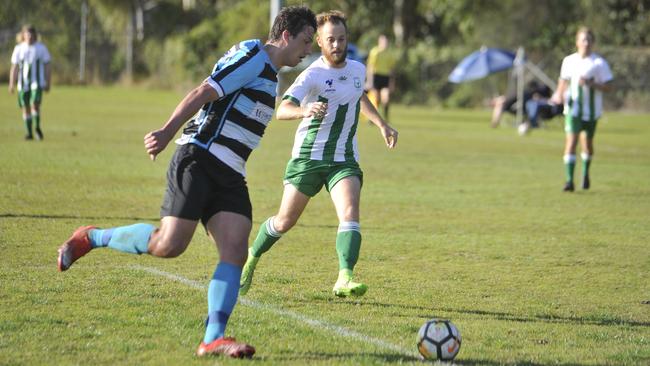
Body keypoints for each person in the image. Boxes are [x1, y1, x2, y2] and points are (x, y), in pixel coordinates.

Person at [56, 6, 317, 358]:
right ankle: (92, 237)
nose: (308, 50)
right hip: (199, 158)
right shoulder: (253, 56)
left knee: (235, 249)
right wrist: (166, 131)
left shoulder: (270, 74)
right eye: (305, 41)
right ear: (286, 36)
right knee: (169, 244)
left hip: (231, 173)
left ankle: (214, 337)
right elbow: (203, 91)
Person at [239, 11, 398, 298]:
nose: (337, 45)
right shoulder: (311, 75)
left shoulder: (357, 70)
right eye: (330, 40)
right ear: (320, 44)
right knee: (284, 222)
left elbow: (359, 96)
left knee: (349, 213)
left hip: (343, 158)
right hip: (308, 159)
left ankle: (344, 277)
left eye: (341, 39)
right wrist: (305, 110)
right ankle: (252, 257)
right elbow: (282, 110)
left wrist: (382, 124)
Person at [550, 26, 613, 192]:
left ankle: (585, 173)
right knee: (571, 142)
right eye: (583, 39)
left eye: (589, 40)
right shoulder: (569, 61)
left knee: (588, 144)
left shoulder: (599, 63)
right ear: (577, 42)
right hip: (573, 109)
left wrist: (592, 84)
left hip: (591, 111)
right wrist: (558, 95)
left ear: (593, 43)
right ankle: (569, 181)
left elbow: (609, 87)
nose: (586, 43)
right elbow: (563, 82)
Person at [9, 25, 51, 140]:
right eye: (27, 34)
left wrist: (48, 82)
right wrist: (11, 83)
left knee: (34, 104)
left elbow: (47, 65)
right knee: (25, 107)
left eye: (32, 34)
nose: (30, 36)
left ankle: (37, 128)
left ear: (35, 35)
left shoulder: (41, 48)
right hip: (22, 84)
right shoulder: (18, 48)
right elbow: (15, 67)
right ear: (23, 35)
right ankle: (29, 133)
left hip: (37, 83)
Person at [366, 34, 397, 120]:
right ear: (380, 42)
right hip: (376, 77)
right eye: (383, 41)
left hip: (385, 77)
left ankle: (386, 117)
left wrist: (392, 82)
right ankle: (372, 118)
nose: (385, 43)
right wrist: (369, 81)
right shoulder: (375, 52)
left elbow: (392, 69)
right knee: (376, 99)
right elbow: (370, 67)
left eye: (386, 42)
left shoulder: (390, 54)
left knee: (386, 98)